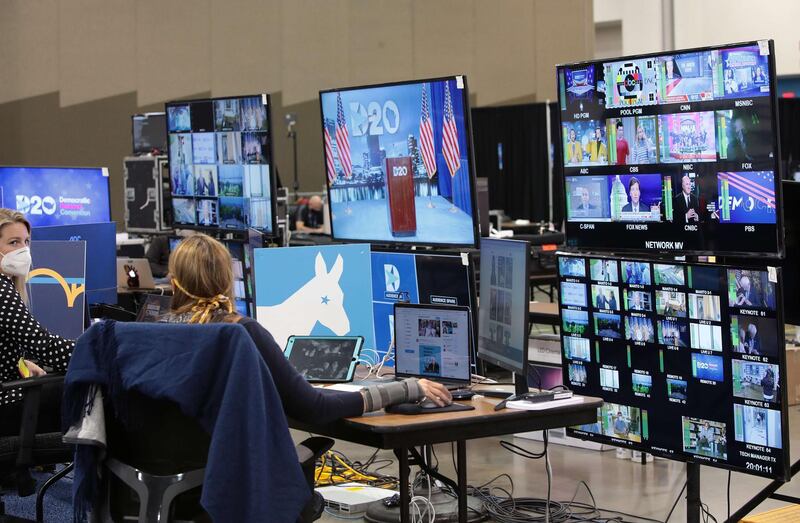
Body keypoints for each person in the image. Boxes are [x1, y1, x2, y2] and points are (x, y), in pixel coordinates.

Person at [159, 234, 452, 422]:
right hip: (234, 473)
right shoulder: (241, 332)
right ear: (227, 283)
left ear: (172, 282)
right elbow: (314, 407)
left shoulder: (150, 333)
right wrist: (405, 388)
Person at [0, 209, 75, 437]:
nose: (23, 250)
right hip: (6, 402)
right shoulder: (2, 290)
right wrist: (93, 354)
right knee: (89, 387)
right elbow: (44, 346)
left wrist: (20, 363)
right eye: (13, 242)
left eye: (26, 242)